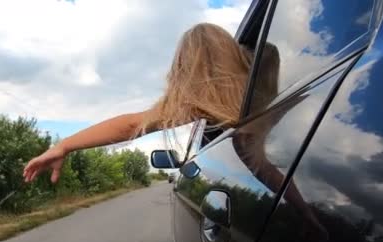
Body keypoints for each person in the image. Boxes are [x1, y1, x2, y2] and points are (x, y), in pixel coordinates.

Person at [23, 23, 254, 183]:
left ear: (184, 71)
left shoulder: (203, 104)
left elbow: (132, 125)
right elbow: (260, 164)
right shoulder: (260, 93)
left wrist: (63, 145)